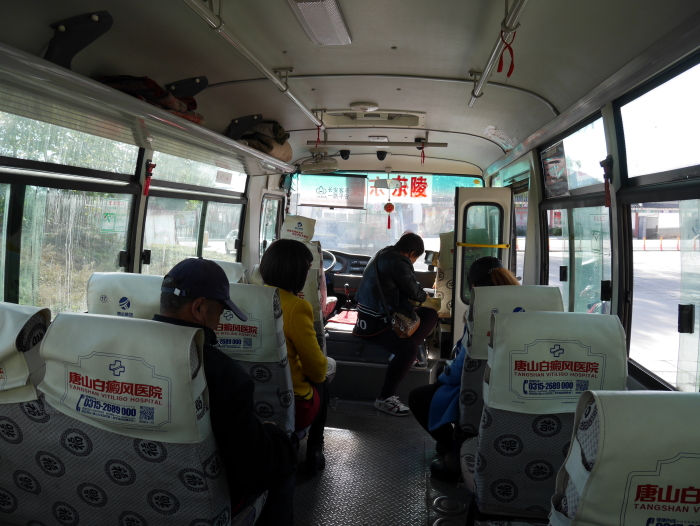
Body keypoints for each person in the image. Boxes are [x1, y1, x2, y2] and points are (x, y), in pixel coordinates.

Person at [153, 257, 297, 525]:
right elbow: (257, 471)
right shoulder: (223, 373)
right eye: (220, 313)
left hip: (132, 494)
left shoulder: (117, 351)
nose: (219, 324)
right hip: (201, 504)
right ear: (199, 308)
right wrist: (276, 436)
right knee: (282, 464)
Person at [408, 256, 519, 482]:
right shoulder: (528, 308)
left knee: (419, 397)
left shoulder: (480, 316)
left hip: (477, 390)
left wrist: (443, 375)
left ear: (474, 288)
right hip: (516, 389)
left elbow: (462, 368)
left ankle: (456, 451)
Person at [259, 239, 329, 477]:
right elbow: (317, 370)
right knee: (325, 375)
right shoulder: (296, 308)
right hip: (291, 405)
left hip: (249, 399)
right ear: (299, 273)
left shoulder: (245, 299)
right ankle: (315, 449)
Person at [353, 232, 439, 416]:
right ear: (412, 253)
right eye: (415, 258)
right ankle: (385, 398)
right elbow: (415, 293)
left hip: (372, 315)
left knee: (429, 314)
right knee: (408, 349)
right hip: (377, 322)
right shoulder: (398, 262)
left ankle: (404, 356)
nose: (414, 262)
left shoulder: (384, 253)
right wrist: (425, 295)